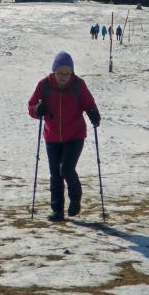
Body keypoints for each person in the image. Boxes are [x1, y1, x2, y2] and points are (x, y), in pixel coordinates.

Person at [27, 51, 101, 222]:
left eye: (67, 74)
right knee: (55, 174)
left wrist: (93, 113)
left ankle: (75, 199)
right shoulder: (44, 85)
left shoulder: (78, 85)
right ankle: (57, 211)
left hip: (75, 135)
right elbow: (31, 105)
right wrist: (37, 110)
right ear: (53, 71)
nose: (63, 77)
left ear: (72, 73)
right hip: (52, 137)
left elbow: (89, 103)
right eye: (60, 73)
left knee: (66, 169)